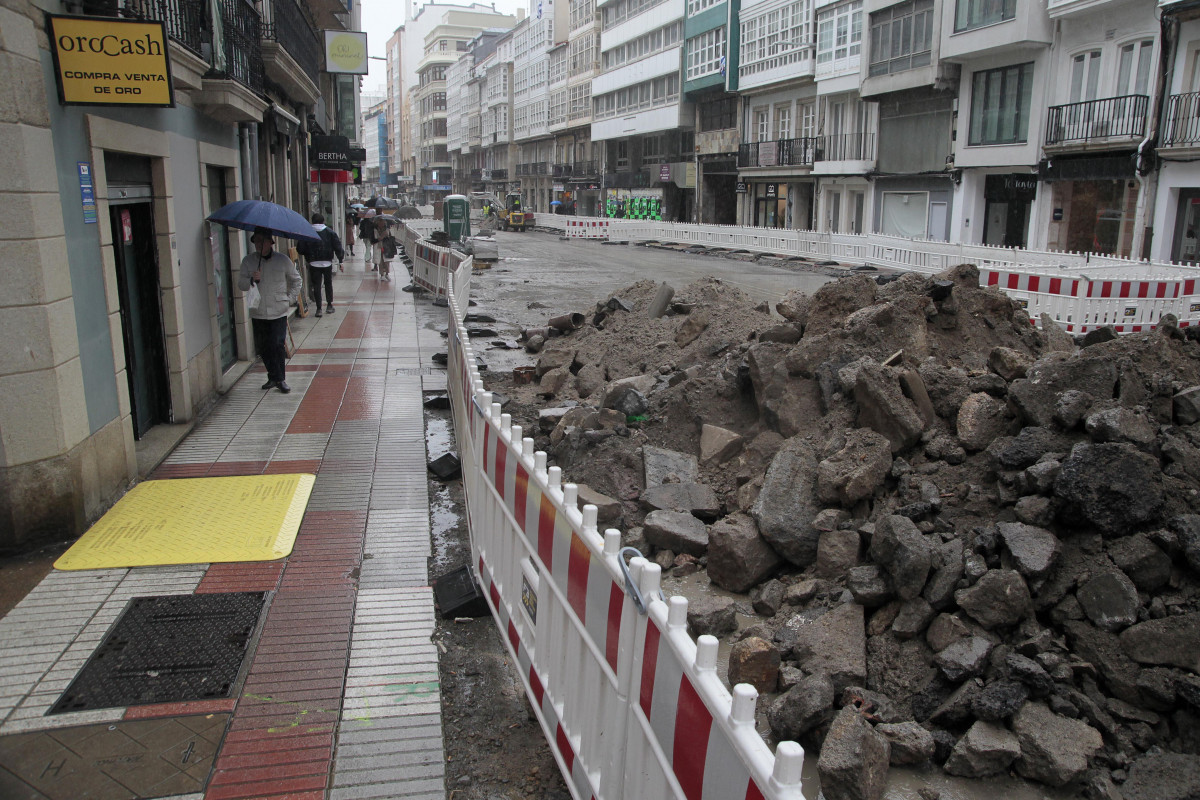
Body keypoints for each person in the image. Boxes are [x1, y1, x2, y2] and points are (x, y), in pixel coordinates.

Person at [238, 227, 301, 393]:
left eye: (262, 241)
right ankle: (272, 376)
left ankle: (281, 379)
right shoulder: (248, 261)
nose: (259, 244)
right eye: (256, 241)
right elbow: (240, 284)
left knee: (277, 344)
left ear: (270, 242)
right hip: (258, 310)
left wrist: (290, 299)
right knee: (263, 347)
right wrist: (252, 279)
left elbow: (296, 280)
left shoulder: (282, 260)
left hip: (278, 310)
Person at [296, 213, 343, 318]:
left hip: (313, 263)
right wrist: (340, 260)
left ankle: (318, 308)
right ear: (323, 221)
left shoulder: (307, 232)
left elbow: (300, 249)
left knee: (316, 285)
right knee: (328, 284)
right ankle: (329, 305)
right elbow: (337, 246)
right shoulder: (330, 232)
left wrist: (308, 254)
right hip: (327, 262)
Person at [373, 216, 396, 281]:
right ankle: (382, 274)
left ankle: (387, 274)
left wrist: (387, 235)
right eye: (380, 222)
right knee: (381, 261)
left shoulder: (387, 229)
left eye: (383, 222)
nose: (382, 224)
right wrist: (382, 236)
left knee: (387, 261)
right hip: (379, 246)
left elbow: (390, 238)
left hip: (386, 247)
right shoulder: (375, 230)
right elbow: (375, 239)